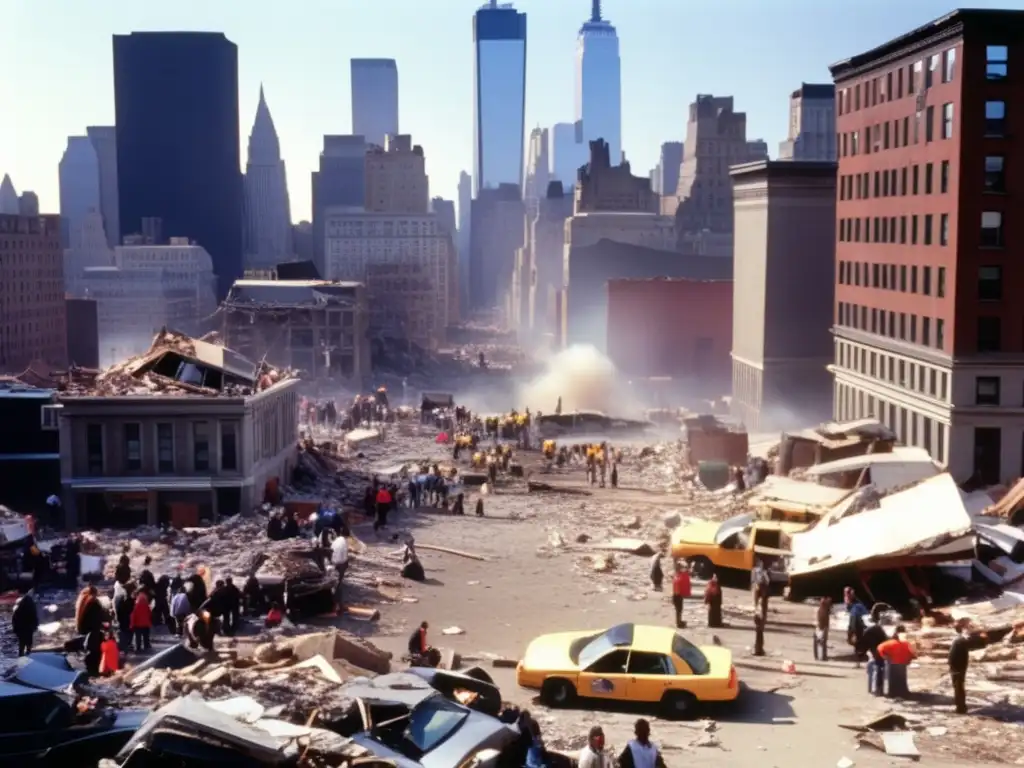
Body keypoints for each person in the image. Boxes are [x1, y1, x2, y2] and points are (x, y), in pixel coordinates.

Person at [949, 617, 989, 714]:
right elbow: (978, 644)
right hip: (958, 666)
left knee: (958, 687)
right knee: (958, 687)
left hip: (958, 666)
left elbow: (975, 643)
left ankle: (961, 708)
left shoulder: (960, 639)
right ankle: (961, 708)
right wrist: (983, 637)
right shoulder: (961, 640)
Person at [857, 605, 889, 696]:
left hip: (871, 652)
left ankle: (871, 689)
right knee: (879, 671)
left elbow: (863, 642)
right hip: (878, 653)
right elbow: (885, 641)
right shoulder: (879, 630)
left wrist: (861, 653)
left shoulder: (868, 630)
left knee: (871, 671)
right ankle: (878, 690)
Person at [878, 625, 915, 698]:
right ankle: (902, 693)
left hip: (894, 662)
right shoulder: (905, 643)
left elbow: (880, 648)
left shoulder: (891, 642)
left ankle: (893, 693)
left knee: (893, 679)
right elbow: (911, 652)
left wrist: (885, 657)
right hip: (901, 663)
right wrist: (909, 659)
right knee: (901, 679)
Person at [12, 588, 39, 656]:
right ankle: (28, 653)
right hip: (28, 628)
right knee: (28, 642)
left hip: (22, 628)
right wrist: (35, 626)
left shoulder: (20, 608)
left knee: (22, 642)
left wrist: (15, 628)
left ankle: (21, 654)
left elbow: (15, 618)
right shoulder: (31, 606)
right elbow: (34, 617)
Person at [845, 587, 869, 653]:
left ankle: (859, 649)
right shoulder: (849, 599)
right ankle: (858, 648)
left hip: (857, 618)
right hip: (855, 617)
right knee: (855, 634)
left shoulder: (857, 603)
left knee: (858, 634)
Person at [130, 587, 153, 652]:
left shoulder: (136, 606)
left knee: (138, 637)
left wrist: (132, 624)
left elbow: (133, 615)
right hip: (146, 623)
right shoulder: (146, 605)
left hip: (137, 624)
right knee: (146, 636)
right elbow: (150, 614)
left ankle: (138, 647)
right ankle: (147, 645)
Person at [331, 533, 350, 610]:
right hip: (340, 564)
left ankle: (337, 605)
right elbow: (345, 557)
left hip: (334, 563)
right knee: (338, 585)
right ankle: (338, 605)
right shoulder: (344, 542)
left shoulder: (336, 541)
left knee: (336, 584)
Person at [671, 561, 691, 629]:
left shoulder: (677, 575)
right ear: (680, 568)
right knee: (678, 610)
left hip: (678, 595)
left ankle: (679, 621)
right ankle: (679, 623)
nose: (684, 569)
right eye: (683, 568)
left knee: (679, 610)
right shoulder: (678, 576)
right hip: (677, 596)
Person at [751, 559, 770, 624]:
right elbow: (753, 580)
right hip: (758, 586)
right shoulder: (756, 570)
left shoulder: (763, 571)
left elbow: (767, 581)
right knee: (758, 603)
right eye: (760, 564)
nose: (761, 565)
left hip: (760, 587)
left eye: (762, 564)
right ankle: (758, 617)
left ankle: (760, 617)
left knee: (760, 603)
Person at [814, 596, 833, 661]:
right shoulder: (825, 604)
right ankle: (823, 656)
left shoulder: (821, 607)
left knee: (820, 640)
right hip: (823, 624)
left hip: (821, 623)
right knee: (822, 640)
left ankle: (819, 656)